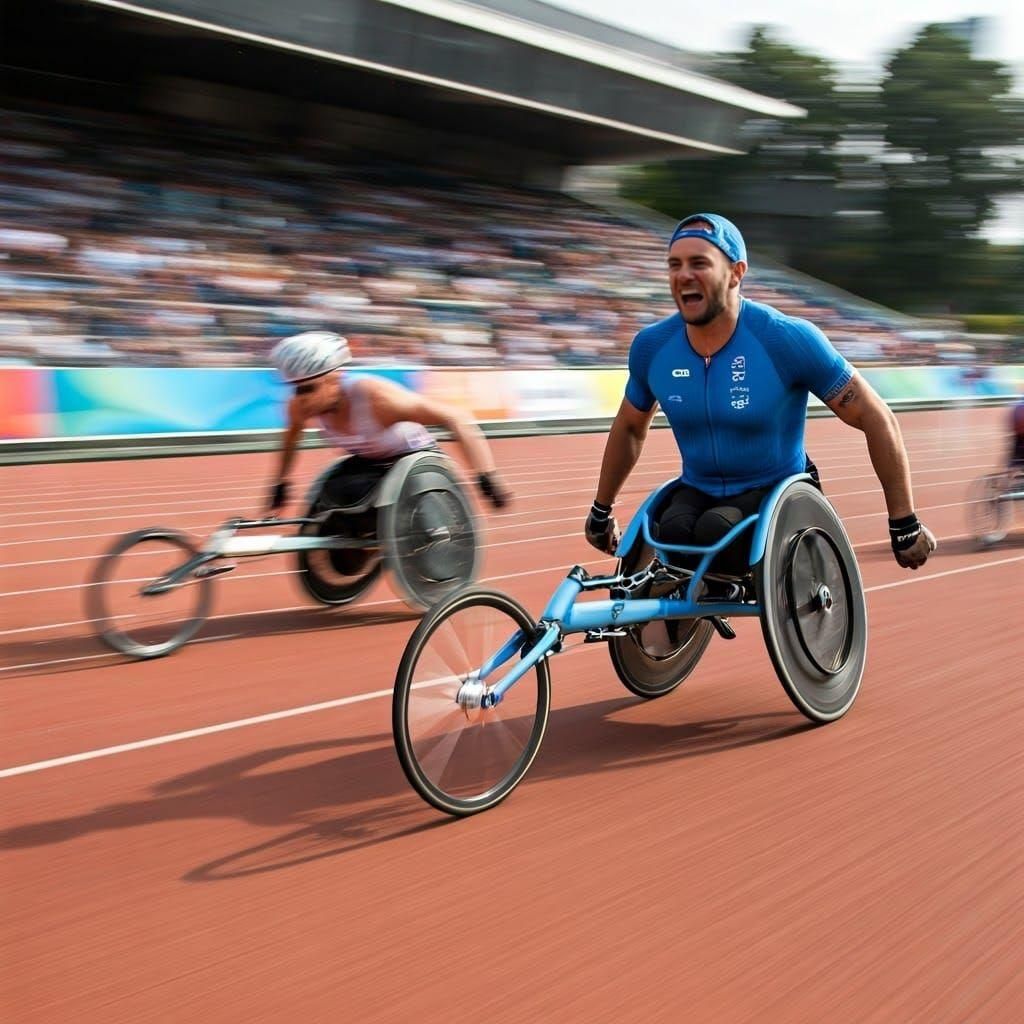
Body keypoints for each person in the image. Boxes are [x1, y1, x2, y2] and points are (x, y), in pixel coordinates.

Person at [584, 212, 936, 575]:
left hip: (774, 488)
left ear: (736, 273)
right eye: (675, 265)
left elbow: (875, 415)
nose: (684, 275)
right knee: (670, 532)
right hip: (698, 488)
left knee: (715, 531)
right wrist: (600, 511)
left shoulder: (786, 339)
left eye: (699, 263)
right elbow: (630, 427)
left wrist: (903, 522)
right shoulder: (652, 347)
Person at [266, 330, 511, 514]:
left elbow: (455, 418)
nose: (301, 399)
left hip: (416, 463)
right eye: (295, 389)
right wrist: (280, 483)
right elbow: (291, 439)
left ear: (334, 379)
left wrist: (487, 476)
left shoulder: (376, 398)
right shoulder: (298, 406)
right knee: (332, 496)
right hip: (369, 466)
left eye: (308, 389)